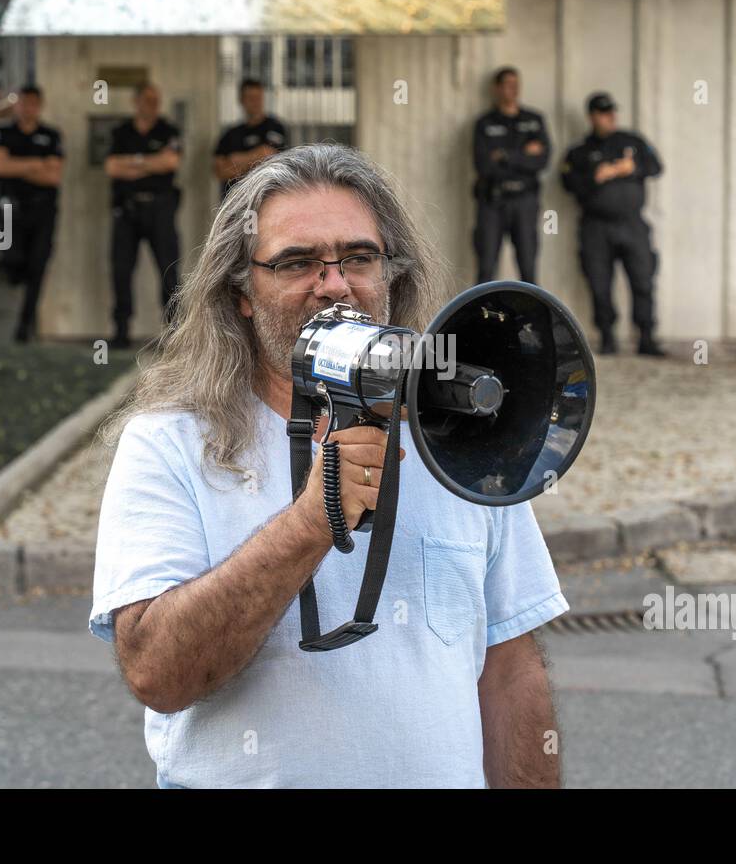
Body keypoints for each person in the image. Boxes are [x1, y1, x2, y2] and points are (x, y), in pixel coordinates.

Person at [91, 143, 569, 788]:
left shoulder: (460, 441)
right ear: (242, 294)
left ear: (390, 273)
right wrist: (312, 522)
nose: (336, 283)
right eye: (296, 262)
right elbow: (158, 675)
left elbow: (510, 665)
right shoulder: (172, 443)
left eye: (359, 257)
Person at [561, 92, 666, 357]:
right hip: (596, 227)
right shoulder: (579, 152)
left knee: (643, 279)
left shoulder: (632, 142)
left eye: (612, 112)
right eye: (603, 113)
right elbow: (568, 184)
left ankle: (646, 337)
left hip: (632, 224)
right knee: (599, 282)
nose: (610, 117)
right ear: (592, 116)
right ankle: (607, 336)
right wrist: (597, 176)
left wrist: (632, 168)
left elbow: (656, 166)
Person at [104, 82, 183, 349]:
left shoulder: (168, 130)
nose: (152, 105)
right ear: (135, 101)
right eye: (147, 100)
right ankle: (122, 329)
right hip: (126, 210)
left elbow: (170, 163)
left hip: (160, 209)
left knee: (168, 270)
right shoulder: (121, 132)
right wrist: (151, 162)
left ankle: (174, 333)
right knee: (121, 270)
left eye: (156, 100)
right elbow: (113, 168)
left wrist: (133, 163)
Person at [0, 85, 64, 344]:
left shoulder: (51, 135)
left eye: (32, 103)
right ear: (16, 104)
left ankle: (24, 326)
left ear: (39, 106)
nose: (27, 108)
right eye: (22, 102)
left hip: (43, 210)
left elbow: (54, 176)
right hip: (10, 208)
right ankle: (11, 283)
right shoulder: (2, 132)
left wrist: (16, 165)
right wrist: (37, 164)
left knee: (38, 267)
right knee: (13, 259)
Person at [472, 66, 551, 285]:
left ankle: (530, 317)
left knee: (528, 268)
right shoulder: (485, 124)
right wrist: (524, 153)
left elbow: (542, 161)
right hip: (493, 202)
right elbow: (484, 165)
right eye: (507, 84)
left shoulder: (534, 120)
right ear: (497, 88)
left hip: (525, 201)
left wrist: (504, 155)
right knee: (486, 269)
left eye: (516, 84)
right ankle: (482, 318)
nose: (513, 89)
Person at [212, 78, 287, 202]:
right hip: (234, 203)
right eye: (250, 98)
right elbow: (220, 172)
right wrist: (253, 158)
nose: (255, 102)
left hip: (263, 200)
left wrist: (235, 159)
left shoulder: (274, 126)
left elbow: (268, 158)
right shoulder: (230, 134)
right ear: (241, 100)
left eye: (258, 97)